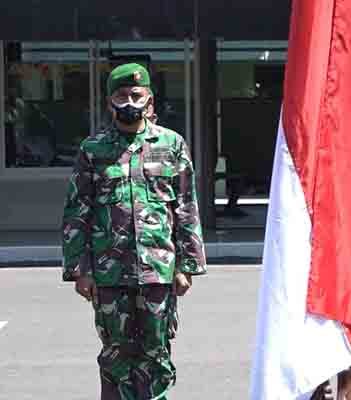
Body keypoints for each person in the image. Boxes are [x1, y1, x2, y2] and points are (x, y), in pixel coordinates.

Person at [62, 63, 207, 400]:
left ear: (149, 99)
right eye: (121, 95)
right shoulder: (93, 149)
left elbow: (186, 207)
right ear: (109, 102)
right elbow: (77, 212)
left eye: (136, 95)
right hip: (109, 273)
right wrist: (80, 270)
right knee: (116, 354)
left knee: (156, 351)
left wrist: (187, 266)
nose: (129, 101)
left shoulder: (171, 144)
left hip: (158, 270)